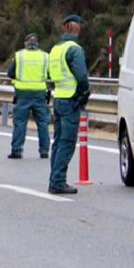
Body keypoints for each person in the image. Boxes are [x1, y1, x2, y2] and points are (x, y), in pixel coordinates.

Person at [47, 14, 91, 194]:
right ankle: (58, 181)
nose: (78, 28)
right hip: (71, 100)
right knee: (67, 142)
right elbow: (81, 76)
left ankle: (54, 178)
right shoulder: (74, 49)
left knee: (58, 142)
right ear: (75, 28)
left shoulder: (55, 49)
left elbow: (51, 74)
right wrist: (84, 92)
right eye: (77, 26)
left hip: (59, 99)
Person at [6, 33, 50, 159]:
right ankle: (44, 151)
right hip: (40, 94)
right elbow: (51, 74)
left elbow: (10, 73)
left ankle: (17, 150)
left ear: (25, 43)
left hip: (23, 94)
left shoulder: (19, 56)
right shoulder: (45, 56)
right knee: (43, 123)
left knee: (20, 123)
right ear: (37, 43)